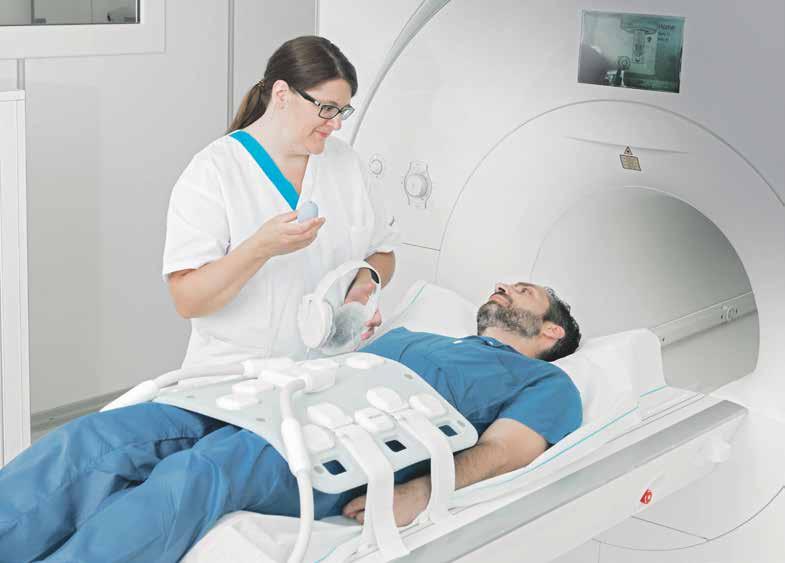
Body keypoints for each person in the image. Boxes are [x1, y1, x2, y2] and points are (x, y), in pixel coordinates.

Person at [0, 35, 397, 562]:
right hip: (222, 385)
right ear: (282, 94)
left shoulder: (345, 165)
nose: (336, 124)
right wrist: (260, 247)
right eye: (326, 108)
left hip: (313, 393)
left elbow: (381, 254)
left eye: (342, 110)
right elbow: (187, 298)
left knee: (181, 486)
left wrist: (365, 281)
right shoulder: (216, 172)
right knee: (86, 446)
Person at [0, 280, 581, 562]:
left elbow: (505, 450)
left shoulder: (547, 383)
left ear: (551, 330)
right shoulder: (420, 335)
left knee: (197, 473)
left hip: (336, 442)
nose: (503, 287)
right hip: (268, 400)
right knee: (96, 438)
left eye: (523, 291)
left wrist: (420, 492)